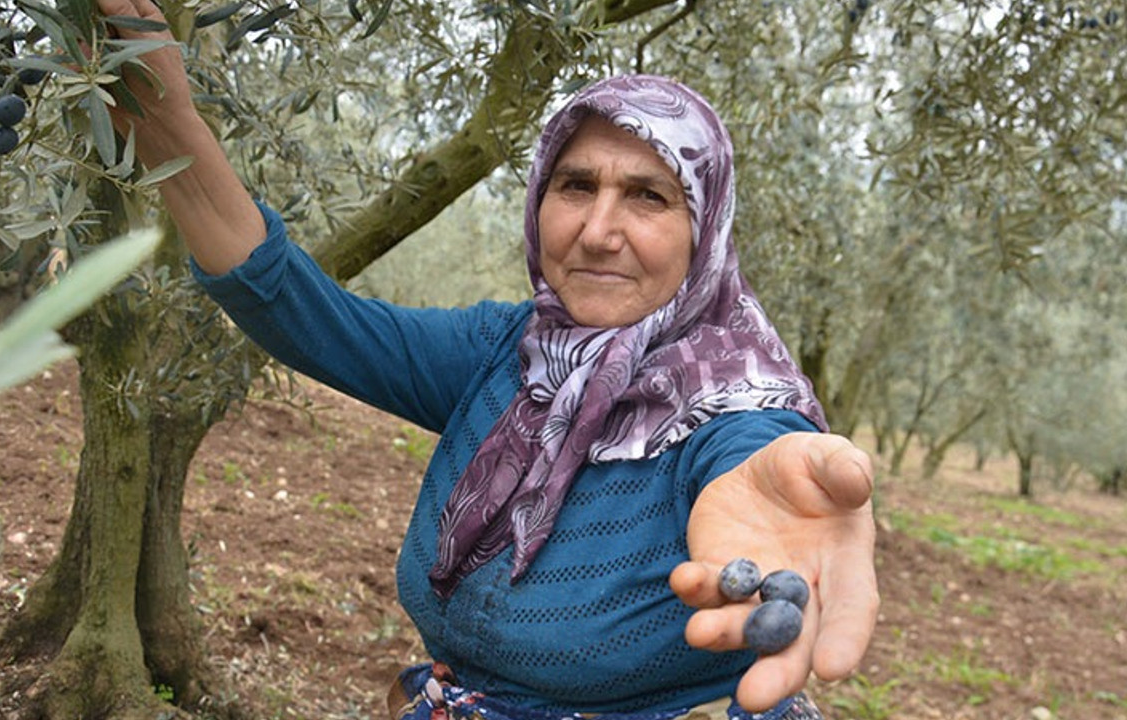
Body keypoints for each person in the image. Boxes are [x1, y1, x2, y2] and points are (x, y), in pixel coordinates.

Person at [95, 1, 880, 718]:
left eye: (649, 196)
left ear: (705, 230)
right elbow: (305, 317)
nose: (599, 230)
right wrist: (175, 131)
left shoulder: (731, 406)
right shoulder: (511, 355)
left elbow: (751, 453)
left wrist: (778, 467)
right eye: (576, 185)